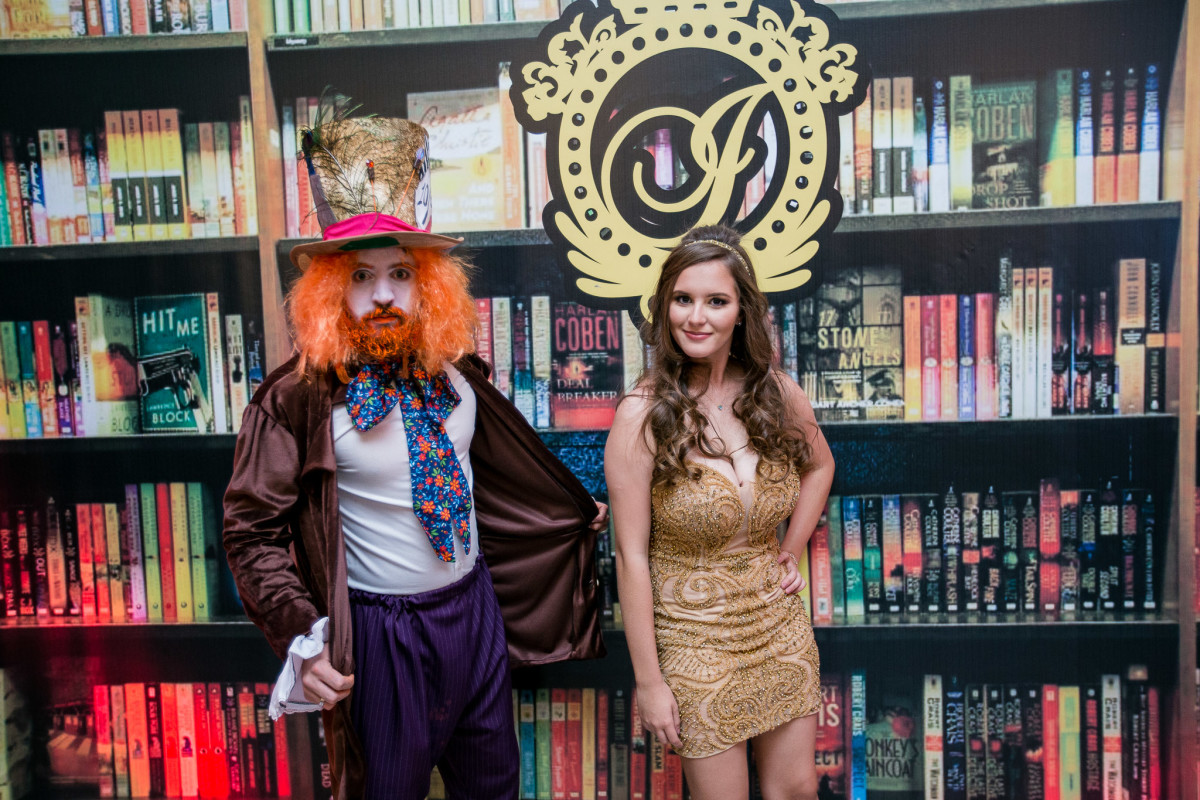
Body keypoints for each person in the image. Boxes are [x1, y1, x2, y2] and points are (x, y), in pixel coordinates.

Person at [223, 114, 608, 800]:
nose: (382, 295)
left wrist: (566, 513)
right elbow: (251, 531)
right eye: (361, 276)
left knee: (494, 787)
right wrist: (301, 635)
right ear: (330, 290)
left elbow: (500, 477)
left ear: (427, 285)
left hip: (474, 611)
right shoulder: (296, 398)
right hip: (380, 634)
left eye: (401, 273)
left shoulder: (458, 377)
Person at [604, 224, 835, 799]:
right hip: (692, 636)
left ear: (741, 311)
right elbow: (630, 557)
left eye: (716, 301)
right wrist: (649, 682)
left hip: (777, 626)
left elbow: (820, 466)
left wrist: (790, 549)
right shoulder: (640, 413)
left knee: (797, 791)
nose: (696, 317)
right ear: (664, 307)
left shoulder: (776, 392)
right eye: (683, 299)